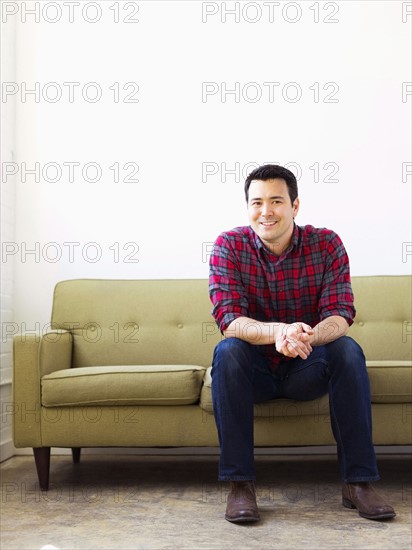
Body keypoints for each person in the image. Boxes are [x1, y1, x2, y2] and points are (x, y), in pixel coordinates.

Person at [208, 164, 396, 523]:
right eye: (257, 202)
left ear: (295, 206)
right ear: (247, 207)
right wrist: (279, 332)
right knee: (227, 351)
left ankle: (358, 484)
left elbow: (340, 314)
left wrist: (307, 334)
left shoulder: (326, 243)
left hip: (305, 367)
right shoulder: (228, 245)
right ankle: (240, 486)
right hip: (256, 372)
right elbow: (229, 320)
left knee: (347, 349)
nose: (266, 212)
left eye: (276, 201)